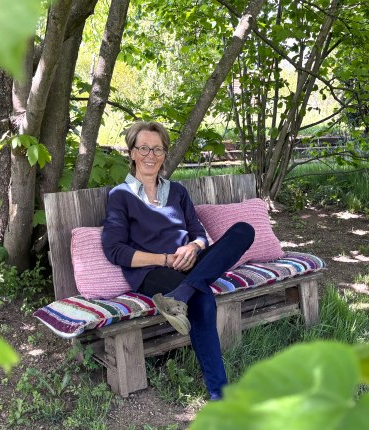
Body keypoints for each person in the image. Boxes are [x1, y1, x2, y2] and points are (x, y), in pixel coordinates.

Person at [102, 121, 255, 401]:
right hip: (152, 272)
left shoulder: (177, 192)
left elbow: (199, 234)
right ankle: (220, 394)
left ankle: (180, 295)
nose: (151, 155)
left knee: (244, 230)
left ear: (164, 154)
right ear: (132, 153)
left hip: (190, 266)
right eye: (144, 148)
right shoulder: (120, 196)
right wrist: (166, 258)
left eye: (157, 149)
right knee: (203, 299)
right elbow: (115, 250)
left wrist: (194, 248)